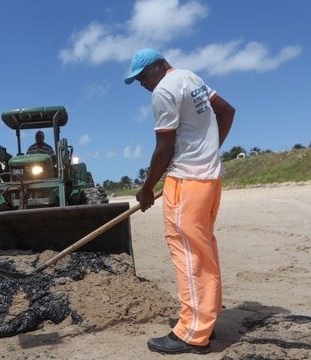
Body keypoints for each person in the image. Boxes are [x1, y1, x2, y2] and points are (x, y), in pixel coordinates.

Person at [125, 48, 235, 355]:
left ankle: (191, 332)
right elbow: (227, 111)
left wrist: (147, 188)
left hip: (186, 183)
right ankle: (205, 322)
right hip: (210, 180)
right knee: (203, 252)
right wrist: (208, 153)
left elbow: (164, 147)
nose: (143, 83)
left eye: (144, 76)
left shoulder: (163, 91)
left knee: (188, 255)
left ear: (160, 66)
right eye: (138, 80)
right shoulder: (191, 78)